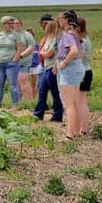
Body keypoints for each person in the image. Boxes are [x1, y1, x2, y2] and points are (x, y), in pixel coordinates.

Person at [55, 10, 87, 139]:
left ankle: (70, 133)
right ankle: (77, 130)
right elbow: (81, 51)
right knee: (75, 102)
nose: (59, 21)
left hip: (69, 69)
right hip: (77, 67)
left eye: (61, 19)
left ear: (67, 20)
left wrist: (64, 63)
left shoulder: (67, 34)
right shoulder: (75, 33)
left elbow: (73, 51)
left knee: (69, 104)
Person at [33, 20, 64, 122]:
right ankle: (38, 114)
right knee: (42, 91)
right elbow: (43, 51)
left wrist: (42, 53)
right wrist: (43, 53)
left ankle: (57, 115)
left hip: (52, 68)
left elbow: (50, 53)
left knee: (55, 92)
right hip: (46, 67)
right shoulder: (47, 39)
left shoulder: (56, 39)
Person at [0, 16, 23, 108]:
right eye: (9, 24)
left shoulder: (16, 35)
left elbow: (19, 48)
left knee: (12, 84)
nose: (11, 25)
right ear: (4, 24)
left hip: (11, 64)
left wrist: (15, 59)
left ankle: (15, 104)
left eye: (12, 23)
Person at [76, 17, 93, 133]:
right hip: (87, 70)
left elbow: (79, 57)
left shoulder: (81, 41)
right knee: (82, 101)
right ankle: (84, 127)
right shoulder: (87, 38)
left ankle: (82, 128)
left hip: (80, 72)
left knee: (79, 101)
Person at [14, 19, 38, 101]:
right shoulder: (11, 35)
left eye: (18, 23)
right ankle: (18, 101)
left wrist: (21, 55)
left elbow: (31, 46)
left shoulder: (27, 35)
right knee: (16, 83)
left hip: (24, 61)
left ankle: (30, 101)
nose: (16, 24)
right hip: (12, 62)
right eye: (14, 23)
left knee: (23, 80)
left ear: (21, 24)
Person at [26, 28, 41, 99]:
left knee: (34, 83)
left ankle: (34, 98)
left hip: (36, 66)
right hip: (27, 66)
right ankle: (28, 98)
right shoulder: (24, 46)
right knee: (26, 83)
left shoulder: (37, 46)